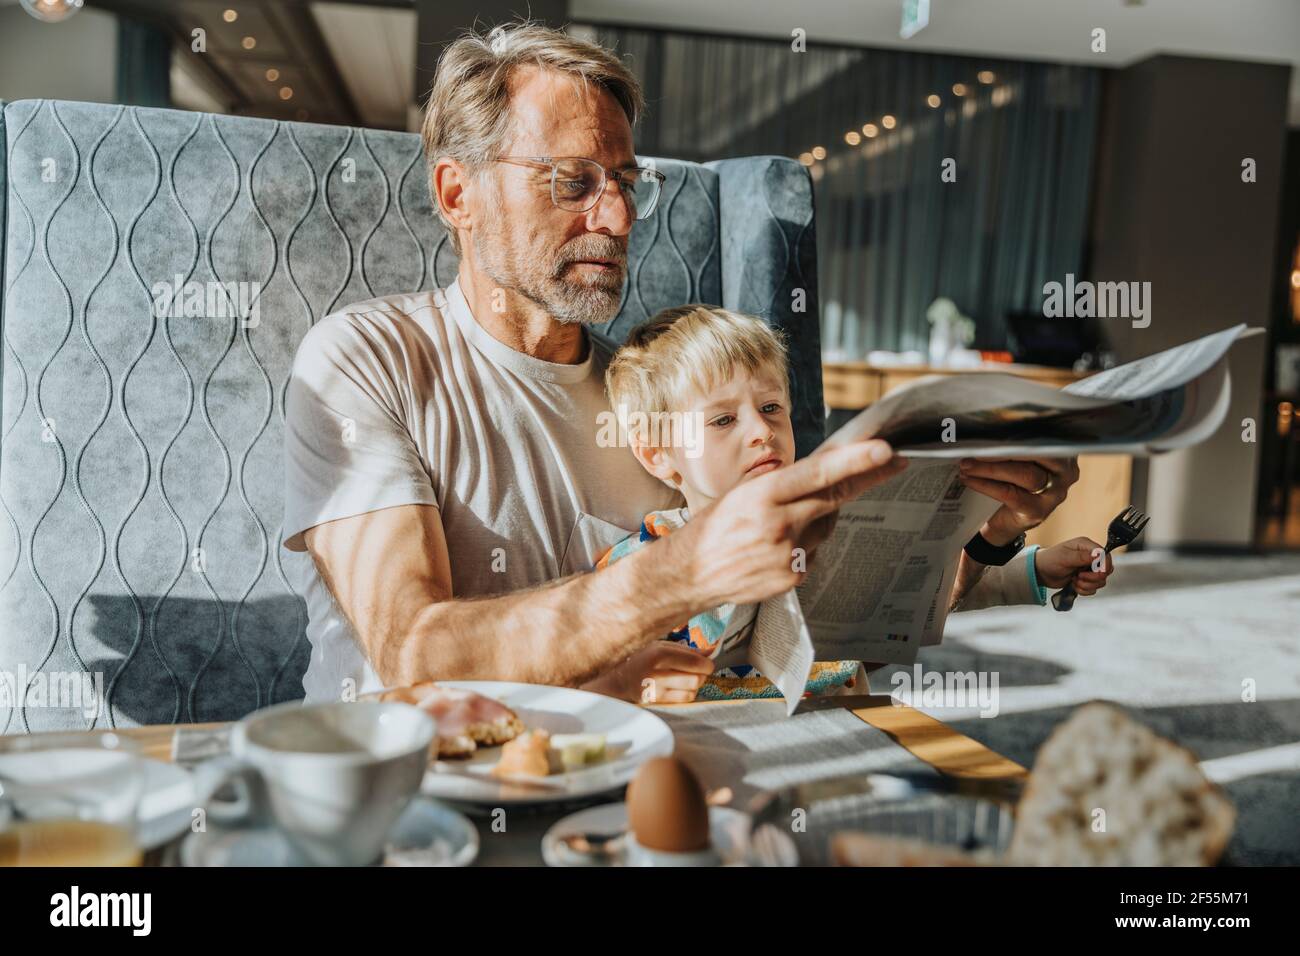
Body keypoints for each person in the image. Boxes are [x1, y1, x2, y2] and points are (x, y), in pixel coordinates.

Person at [281, 21, 1080, 703]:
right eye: (574, 180)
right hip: (410, 791)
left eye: (627, 181)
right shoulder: (367, 361)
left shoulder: (667, 398)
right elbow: (411, 654)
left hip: (620, 778)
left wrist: (989, 536)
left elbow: (811, 639)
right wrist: (680, 570)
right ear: (458, 195)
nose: (620, 214)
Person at [584, 305, 1112, 703]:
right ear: (658, 455)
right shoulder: (640, 564)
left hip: (852, 726)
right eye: (723, 420)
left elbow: (913, 585)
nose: (761, 432)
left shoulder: (831, 523)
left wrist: (1038, 567)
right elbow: (599, 677)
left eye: (772, 408)